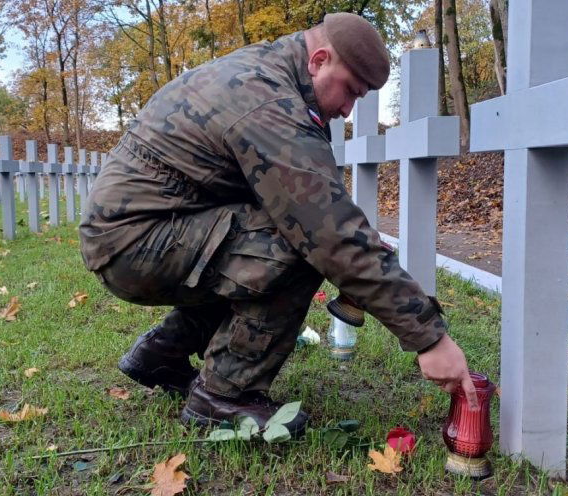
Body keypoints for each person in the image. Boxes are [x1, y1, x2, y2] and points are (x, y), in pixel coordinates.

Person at [79, 13, 476, 435]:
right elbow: (328, 233)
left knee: (260, 242)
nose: (346, 109)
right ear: (319, 60)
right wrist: (430, 338)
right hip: (136, 243)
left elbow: (311, 204)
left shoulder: (265, 71)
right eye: (349, 91)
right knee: (296, 248)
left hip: (142, 233)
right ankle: (223, 396)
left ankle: (162, 353)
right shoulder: (270, 102)